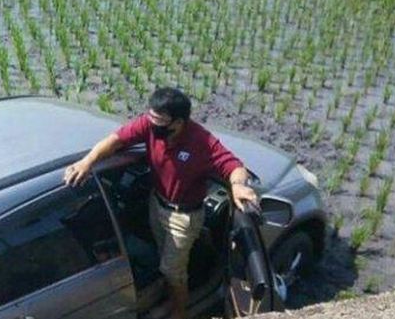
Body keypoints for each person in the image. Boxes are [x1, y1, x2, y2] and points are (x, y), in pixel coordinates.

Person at [64, 87, 258, 319]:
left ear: (178, 122)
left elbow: (234, 166)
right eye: (151, 117)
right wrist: (87, 162)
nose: (152, 125)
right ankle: (169, 293)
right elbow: (115, 140)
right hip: (156, 205)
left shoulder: (202, 142)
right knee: (163, 257)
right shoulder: (148, 125)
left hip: (183, 219)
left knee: (172, 271)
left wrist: (238, 186)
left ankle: (178, 312)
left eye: (160, 121)